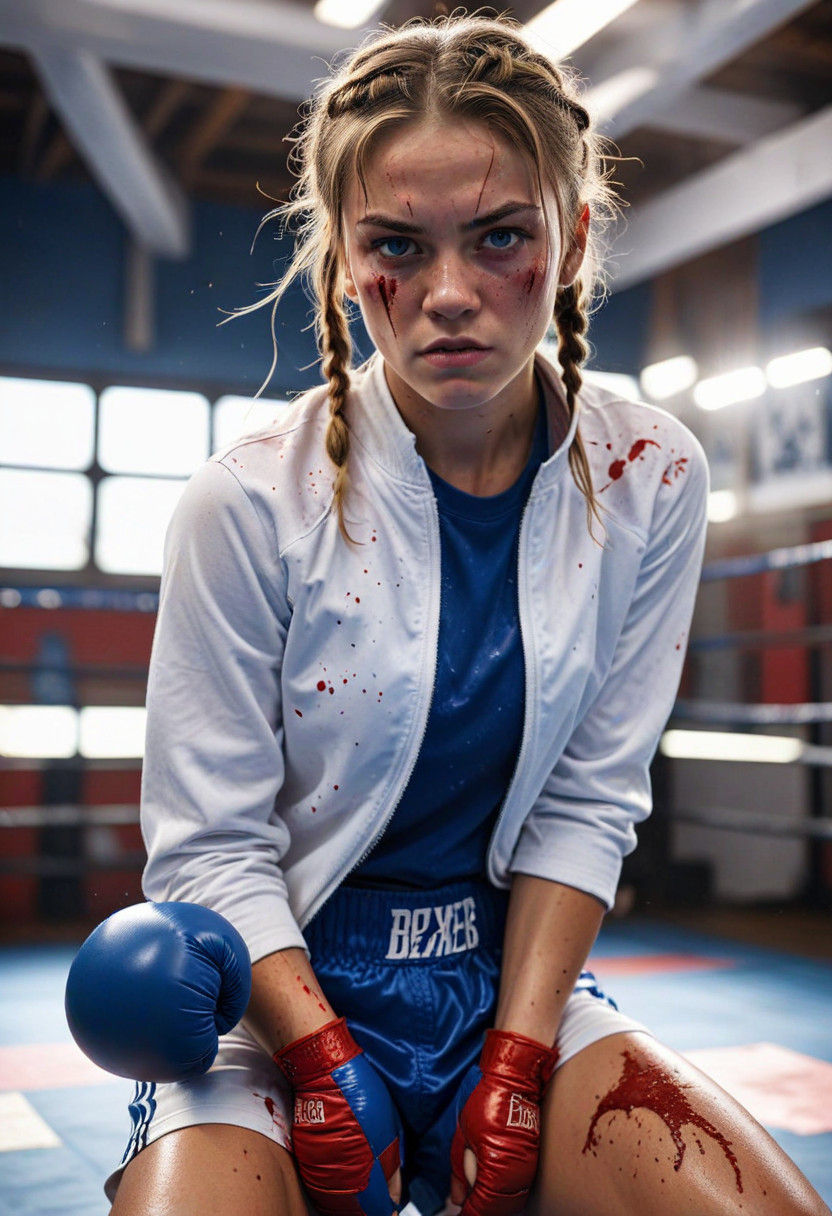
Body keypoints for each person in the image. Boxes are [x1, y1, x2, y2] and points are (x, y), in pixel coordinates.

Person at [102, 14, 830, 1216]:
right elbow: (209, 847)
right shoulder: (244, 504)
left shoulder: (649, 471)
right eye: (397, 243)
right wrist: (322, 1060)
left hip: (508, 987)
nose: (449, 295)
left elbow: (590, 797)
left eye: (500, 237)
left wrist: (520, 1054)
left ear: (573, 236)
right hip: (278, 1003)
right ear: (344, 256)